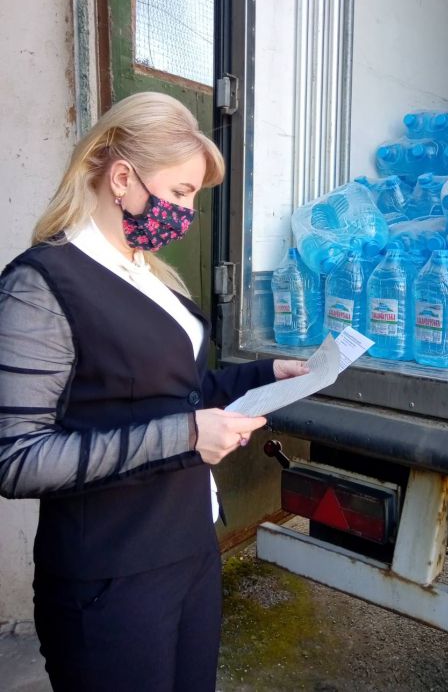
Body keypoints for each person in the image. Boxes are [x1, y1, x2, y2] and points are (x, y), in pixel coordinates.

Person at [0, 92, 307, 692]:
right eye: (180, 193)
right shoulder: (40, 286)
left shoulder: (149, 275)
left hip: (188, 548)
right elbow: (16, 458)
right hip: (111, 577)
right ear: (122, 178)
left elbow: (179, 393)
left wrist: (267, 375)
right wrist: (187, 436)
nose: (186, 214)